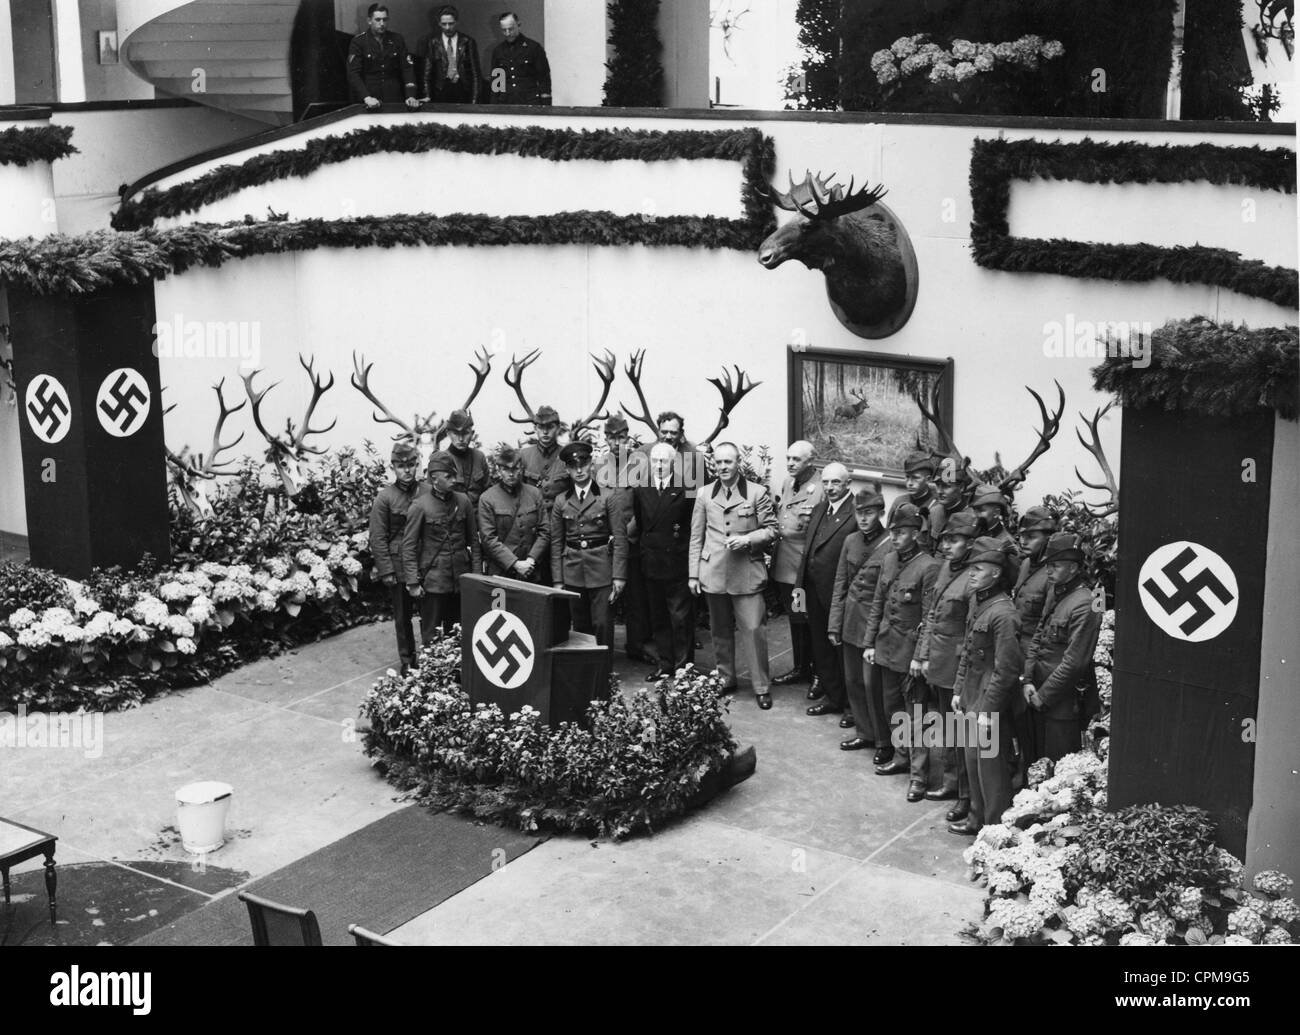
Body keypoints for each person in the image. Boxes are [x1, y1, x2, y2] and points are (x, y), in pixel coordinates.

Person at [688, 442, 778, 709]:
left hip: (746, 574)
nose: (723, 467)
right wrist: (693, 575)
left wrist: (748, 539)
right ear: (713, 465)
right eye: (718, 463)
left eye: (728, 462)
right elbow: (696, 536)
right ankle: (725, 679)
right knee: (720, 631)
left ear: (738, 462)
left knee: (753, 630)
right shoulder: (704, 494)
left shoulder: (756, 492)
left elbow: (772, 530)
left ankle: (761, 686)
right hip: (713, 573)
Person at [863, 502, 939, 800]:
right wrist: (869, 642)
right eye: (893, 532)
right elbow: (878, 605)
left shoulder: (928, 566)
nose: (895, 538)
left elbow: (929, 616)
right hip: (886, 646)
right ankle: (902, 756)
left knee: (917, 714)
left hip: (910, 653)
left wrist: (920, 656)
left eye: (902, 532)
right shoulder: (889, 559)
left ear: (916, 533)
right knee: (892, 707)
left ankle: (919, 777)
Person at [949, 537, 1023, 836]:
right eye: (972, 568)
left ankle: (993, 830)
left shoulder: (1004, 613)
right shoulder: (978, 602)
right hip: (971, 695)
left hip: (988, 702)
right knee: (972, 761)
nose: (973, 573)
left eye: (979, 568)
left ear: (996, 573)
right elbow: (968, 652)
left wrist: (987, 710)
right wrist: (957, 690)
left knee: (990, 770)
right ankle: (976, 819)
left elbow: (1006, 670)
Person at [912, 510, 979, 818]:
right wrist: (922, 655)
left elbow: (971, 631)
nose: (948, 546)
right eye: (946, 540)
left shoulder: (974, 578)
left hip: (958, 667)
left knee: (963, 734)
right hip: (937, 663)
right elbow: (931, 616)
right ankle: (952, 784)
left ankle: (966, 797)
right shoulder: (945, 569)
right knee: (947, 729)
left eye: (955, 540)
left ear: (970, 543)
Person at [1021, 532, 1102, 765]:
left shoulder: (1085, 603)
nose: (1049, 571)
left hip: (1062, 704)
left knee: (1057, 764)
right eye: (1048, 565)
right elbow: (1037, 636)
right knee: (1036, 762)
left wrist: (1044, 696)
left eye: (1055, 566)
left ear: (1074, 569)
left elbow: (1075, 662)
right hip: (1036, 692)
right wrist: (1027, 679)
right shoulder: (1056, 593)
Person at [827, 488, 890, 751]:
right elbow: (840, 583)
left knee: (871, 684)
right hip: (851, 620)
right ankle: (864, 732)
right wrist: (834, 624)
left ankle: (883, 740)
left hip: (873, 625)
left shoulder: (890, 543)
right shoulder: (850, 540)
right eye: (860, 513)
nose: (864, 518)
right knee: (852, 681)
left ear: (881, 513)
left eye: (870, 513)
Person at [550, 440, 627, 647]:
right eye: (573, 466)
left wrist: (619, 576)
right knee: (580, 626)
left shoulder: (608, 496)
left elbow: (620, 539)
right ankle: (585, 674)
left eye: (583, 464)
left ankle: (604, 673)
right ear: (567, 469)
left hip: (601, 570)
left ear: (591, 464)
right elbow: (556, 543)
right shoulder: (561, 501)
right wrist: (558, 580)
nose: (579, 470)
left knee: (602, 624)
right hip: (573, 571)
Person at [401, 450, 480, 644]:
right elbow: (409, 547)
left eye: (454, 475)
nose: (454, 480)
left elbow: (474, 542)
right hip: (434, 581)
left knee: (460, 632)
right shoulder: (419, 506)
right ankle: (433, 673)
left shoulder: (463, 501)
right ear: (435, 479)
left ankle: (458, 674)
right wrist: (412, 582)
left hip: (460, 579)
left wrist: (476, 576)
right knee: (432, 635)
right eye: (449, 476)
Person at [800, 463, 858, 718]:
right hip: (813, 590)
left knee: (842, 651)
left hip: (839, 594)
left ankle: (851, 706)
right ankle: (833, 697)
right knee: (821, 647)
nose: (830, 487)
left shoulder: (857, 514)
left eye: (836, 482)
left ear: (847, 484)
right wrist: (798, 587)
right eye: (826, 482)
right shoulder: (820, 508)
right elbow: (808, 550)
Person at [634, 442, 696, 679]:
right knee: (658, 617)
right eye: (655, 461)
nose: (659, 465)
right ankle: (665, 665)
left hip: (677, 562)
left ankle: (684, 668)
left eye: (664, 461)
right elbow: (641, 524)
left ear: (673, 462)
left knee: (680, 618)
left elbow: (691, 526)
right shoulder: (642, 487)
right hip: (651, 561)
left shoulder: (686, 487)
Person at [599, 414, 655, 664]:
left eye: (621, 437)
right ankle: (602, 649)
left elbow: (646, 502)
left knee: (636, 598)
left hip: (632, 539)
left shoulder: (641, 465)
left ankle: (637, 645)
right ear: (606, 438)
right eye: (612, 437)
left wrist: (632, 530)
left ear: (628, 437)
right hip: (606, 541)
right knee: (605, 597)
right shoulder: (598, 465)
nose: (616, 442)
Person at [770, 441, 823, 692]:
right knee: (795, 618)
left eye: (796, 460)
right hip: (785, 565)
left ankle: (818, 673)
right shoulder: (788, 482)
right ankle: (800, 667)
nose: (790, 463)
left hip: (803, 569)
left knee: (810, 619)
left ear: (810, 461)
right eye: (788, 458)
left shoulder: (821, 488)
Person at [368, 440, 425, 672]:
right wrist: (387, 570)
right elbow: (377, 537)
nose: (407, 470)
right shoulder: (385, 498)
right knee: (402, 619)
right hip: (399, 566)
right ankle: (408, 662)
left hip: (426, 563)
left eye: (411, 464)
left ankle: (435, 659)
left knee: (430, 616)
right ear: (393, 467)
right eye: (401, 466)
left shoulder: (428, 491)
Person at [1010, 505, 1058, 779]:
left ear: (1049, 538)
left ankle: (1034, 774)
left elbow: (1045, 624)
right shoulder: (1027, 564)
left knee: (1036, 722)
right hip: (1016, 654)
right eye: (1022, 536)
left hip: (1036, 659)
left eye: (1032, 536)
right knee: (1020, 720)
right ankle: (1022, 767)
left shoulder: (1051, 573)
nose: (1023, 541)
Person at [477, 446, 549, 581]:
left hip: (532, 571)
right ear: (498, 471)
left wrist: (531, 560)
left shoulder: (534, 494)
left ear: (521, 469)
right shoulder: (487, 499)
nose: (511, 474)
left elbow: (544, 531)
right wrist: (515, 564)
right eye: (505, 469)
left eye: (515, 469)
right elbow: (489, 539)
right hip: (501, 573)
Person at [347, 4, 421, 109]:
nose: (382, 24)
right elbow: (353, 73)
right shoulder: (359, 42)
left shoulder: (397, 39)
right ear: (369, 20)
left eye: (385, 20)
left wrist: (411, 95)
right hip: (370, 96)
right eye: (378, 20)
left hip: (394, 96)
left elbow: (407, 68)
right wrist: (366, 97)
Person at [420, 4, 481, 104]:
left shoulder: (467, 41)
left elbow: (475, 73)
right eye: (444, 24)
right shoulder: (433, 42)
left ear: (457, 22)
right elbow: (427, 73)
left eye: (451, 23)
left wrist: (475, 99)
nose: (447, 27)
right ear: (439, 23)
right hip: (441, 90)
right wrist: (427, 95)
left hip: (463, 89)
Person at [887, 451, 946, 554]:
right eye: (907, 477)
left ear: (927, 480)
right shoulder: (899, 502)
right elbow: (889, 535)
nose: (909, 483)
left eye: (915, 478)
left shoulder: (937, 506)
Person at [489, 12, 551, 106]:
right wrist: (494, 105)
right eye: (504, 30)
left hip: (530, 102)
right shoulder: (498, 51)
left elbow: (544, 78)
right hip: (507, 102)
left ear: (519, 25)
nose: (508, 33)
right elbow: (497, 83)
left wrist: (546, 104)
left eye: (511, 29)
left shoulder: (533, 48)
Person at [443, 408, 490, 507]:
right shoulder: (441, 459)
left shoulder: (479, 457)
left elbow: (488, 493)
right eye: (456, 433)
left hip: (478, 515)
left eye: (465, 433)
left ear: (472, 434)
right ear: (448, 434)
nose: (461, 439)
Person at [971, 483, 1018, 554]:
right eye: (974, 510)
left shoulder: (1006, 545)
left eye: (980, 510)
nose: (974, 515)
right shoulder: (973, 534)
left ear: (996, 513)